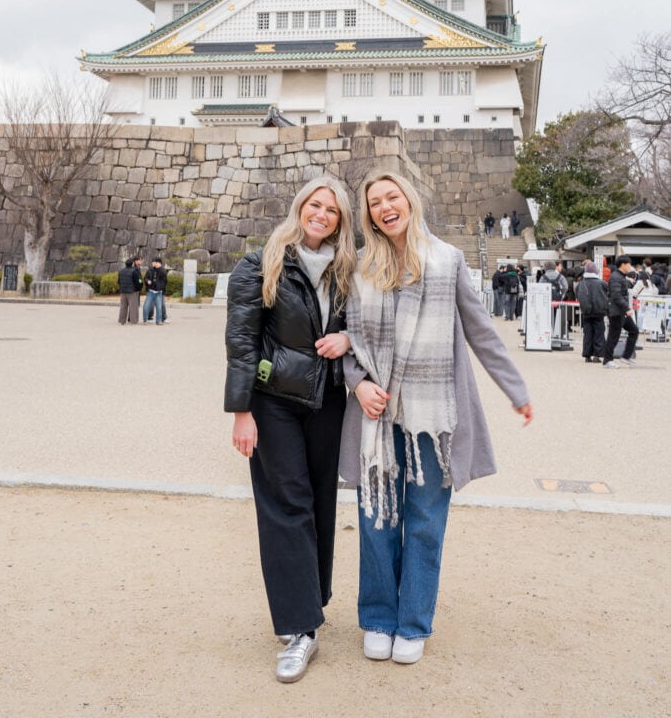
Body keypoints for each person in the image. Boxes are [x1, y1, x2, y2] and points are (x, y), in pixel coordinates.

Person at [339, 172, 532, 666]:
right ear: (368, 214)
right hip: (377, 415)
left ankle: (414, 622)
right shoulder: (360, 266)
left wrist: (515, 388)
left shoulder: (448, 261)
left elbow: (481, 331)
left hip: (432, 414)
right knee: (376, 516)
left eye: (392, 197)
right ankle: (379, 617)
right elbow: (345, 341)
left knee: (425, 521)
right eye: (375, 202)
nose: (385, 207)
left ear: (409, 200)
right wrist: (358, 383)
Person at [224, 176, 356, 683]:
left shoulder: (348, 269)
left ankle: (310, 603)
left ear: (341, 221)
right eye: (314, 205)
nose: (321, 214)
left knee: (321, 501)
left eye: (332, 210)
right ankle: (300, 627)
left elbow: (365, 325)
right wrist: (241, 411)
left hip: (327, 402)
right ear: (300, 208)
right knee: (286, 505)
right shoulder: (261, 263)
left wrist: (345, 338)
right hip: (274, 400)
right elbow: (241, 340)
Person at [602, 255, 639, 369]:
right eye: (629, 264)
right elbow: (616, 296)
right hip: (616, 312)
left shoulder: (621, 276)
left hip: (621, 311)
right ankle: (607, 360)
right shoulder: (616, 277)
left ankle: (626, 356)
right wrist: (627, 308)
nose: (630, 266)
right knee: (614, 336)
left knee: (634, 330)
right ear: (623, 265)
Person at [576, 261, 608, 362]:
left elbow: (577, 295)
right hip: (599, 311)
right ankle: (597, 355)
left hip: (586, 311)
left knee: (587, 333)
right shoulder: (602, 283)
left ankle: (587, 355)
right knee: (599, 333)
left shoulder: (581, 284)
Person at [118, 256, 143, 324]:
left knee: (123, 306)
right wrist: (139, 287)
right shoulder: (134, 271)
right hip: (132, 291)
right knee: (133, 307)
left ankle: (122, 320)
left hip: (123, 291)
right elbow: (139, 281)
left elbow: (119, 281)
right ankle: (133, 321)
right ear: (132, 264)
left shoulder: (121, 271)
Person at [143, 257, 167, 325]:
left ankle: (159, 321)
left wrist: (159, 268)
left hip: (159, 292)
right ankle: (145, 320)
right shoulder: (150, 270)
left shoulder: (162, 270)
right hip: (150, 291)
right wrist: (147, 281)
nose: (152, 263)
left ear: (157, 263)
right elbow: (145, 278)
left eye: (153, 262)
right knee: (146, 306)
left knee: (159, 307)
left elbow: (164, 275)